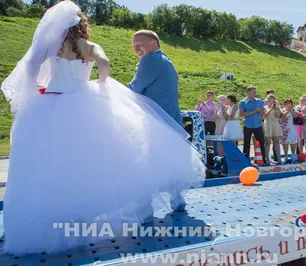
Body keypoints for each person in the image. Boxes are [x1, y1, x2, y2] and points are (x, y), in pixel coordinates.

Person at [0, 1, 206, 255]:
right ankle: (81, 220)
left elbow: (30, 68)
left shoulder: (51, 46)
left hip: (50, 103)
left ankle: (43, 219)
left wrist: (35, 88)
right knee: (87, 161)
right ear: (82, 26)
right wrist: (101, 83)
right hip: (80, 100)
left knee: (46, 163)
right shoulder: (89, 46)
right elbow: (105, 63)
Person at [128, 30, 183, 126]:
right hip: (171, 120)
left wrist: (113, 89)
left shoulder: (151, 59)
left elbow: (135, 88)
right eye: (134, 46)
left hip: (157, 121)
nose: (136, 49)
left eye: (140, 44)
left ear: (153, 43)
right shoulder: (164, 60)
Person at [239, 86, 266, 164]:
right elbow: (241, 114)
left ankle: (263, 159)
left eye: (255, 91)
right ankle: (246, 160)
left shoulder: (259, 101)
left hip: (258, 125)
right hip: (248, 125)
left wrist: (260, 110)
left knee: (261, 142)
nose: (255, 93)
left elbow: (263, 112)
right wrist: (254, 111)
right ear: (248, 92)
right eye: (253, 91)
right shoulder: (243, 102)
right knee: (246, 143)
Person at [263, 94, 283, 165]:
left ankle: (279, 158)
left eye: (271, 98)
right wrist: (271, 108)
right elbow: (265, 116)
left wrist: (276, 108)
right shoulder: (264, 107)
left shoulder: (276, 107)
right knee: (267, 142)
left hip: (275, 123)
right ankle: (267, 158)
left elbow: (278, 116)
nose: (269, 99)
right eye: (268, 98)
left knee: (276, 142)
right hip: (268, 123)